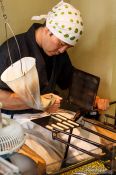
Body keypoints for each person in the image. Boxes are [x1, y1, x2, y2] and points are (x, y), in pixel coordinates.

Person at [0, 0, 109, 173]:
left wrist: (94, 99)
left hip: (50, 112)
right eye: (61, 43)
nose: (62, 50)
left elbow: (69, 80)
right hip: (19, 117)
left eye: (67, 46)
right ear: (48, 30)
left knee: (92, 150)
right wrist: (36, 102)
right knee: (49, 163)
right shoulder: (13, 49)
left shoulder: (58, 53)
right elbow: (1, 99)